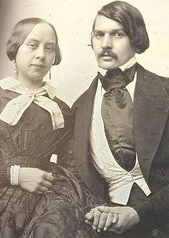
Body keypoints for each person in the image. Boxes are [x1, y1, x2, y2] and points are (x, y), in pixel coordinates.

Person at [0, 17, 99, 238]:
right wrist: (14, 175)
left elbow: (72, 168)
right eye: (32, 45)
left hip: (46, 202)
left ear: (55, 57)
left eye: (49, 48)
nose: (41, 55)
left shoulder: (61, 110)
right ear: (15, 49)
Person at [72, 1, 169, 238]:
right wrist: (95, 212)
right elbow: (75, 176)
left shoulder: (165, 92)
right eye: (99, 35)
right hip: (109, 226)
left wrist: (139, 213)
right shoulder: (79, 107)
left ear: (136, 39)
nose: (105, 44)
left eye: (118, 34)